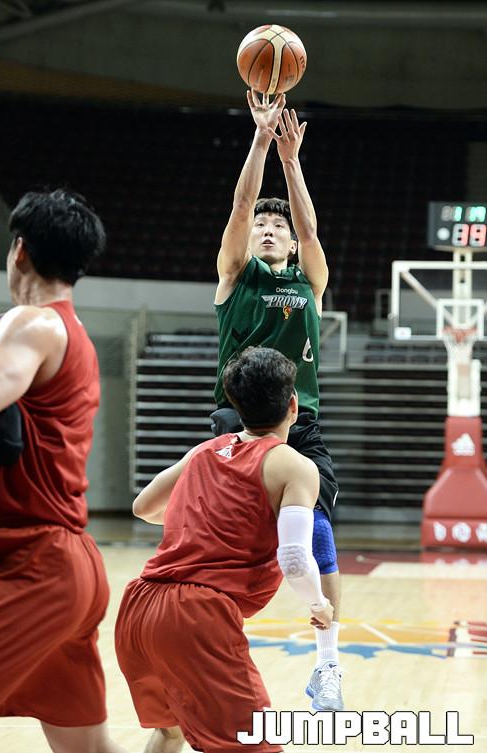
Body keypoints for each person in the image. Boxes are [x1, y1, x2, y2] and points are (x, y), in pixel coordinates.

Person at [115, 347, 334, 753]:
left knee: (171, 731)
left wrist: (200, 518)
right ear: (293, 404)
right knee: (256, 745)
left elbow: (143, 507)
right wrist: (318, 605)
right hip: (196, 615)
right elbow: (294, 559)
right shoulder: (295, 465)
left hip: (140, 606)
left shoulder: (205, 450)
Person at [211, 89, 344, 711]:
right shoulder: (235, 275)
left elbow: (310, 228)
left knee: (318, 538)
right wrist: (262, 139)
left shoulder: (309, 283)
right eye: (262, 227)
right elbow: (241, 205)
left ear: (290, 244)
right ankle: (210, 638)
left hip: (301, 424)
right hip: (235, 422)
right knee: (221, 541)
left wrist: (293, 162)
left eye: (277, 227)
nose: (267, 229)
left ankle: (328, 666)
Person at [0, 189, 125, 753]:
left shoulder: (34, 324)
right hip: (70, 566)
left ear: (18, 250)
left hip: (31, 564)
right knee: (86, 748)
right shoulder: (74, 335)